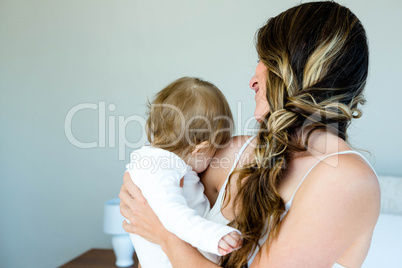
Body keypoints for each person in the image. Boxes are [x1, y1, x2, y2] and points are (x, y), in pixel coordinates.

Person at [119, 2, 380, 267]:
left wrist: (165, 236)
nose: (253, 80)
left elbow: (159, 230)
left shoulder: (345, 179)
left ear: (294, 71)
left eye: (265, 61)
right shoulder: (232, 153)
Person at [125, 77, 242, 268]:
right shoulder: (159, 166)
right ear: (200, 148)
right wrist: (214, 236)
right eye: (215, 150)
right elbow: (172, 216)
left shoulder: (157, 162)